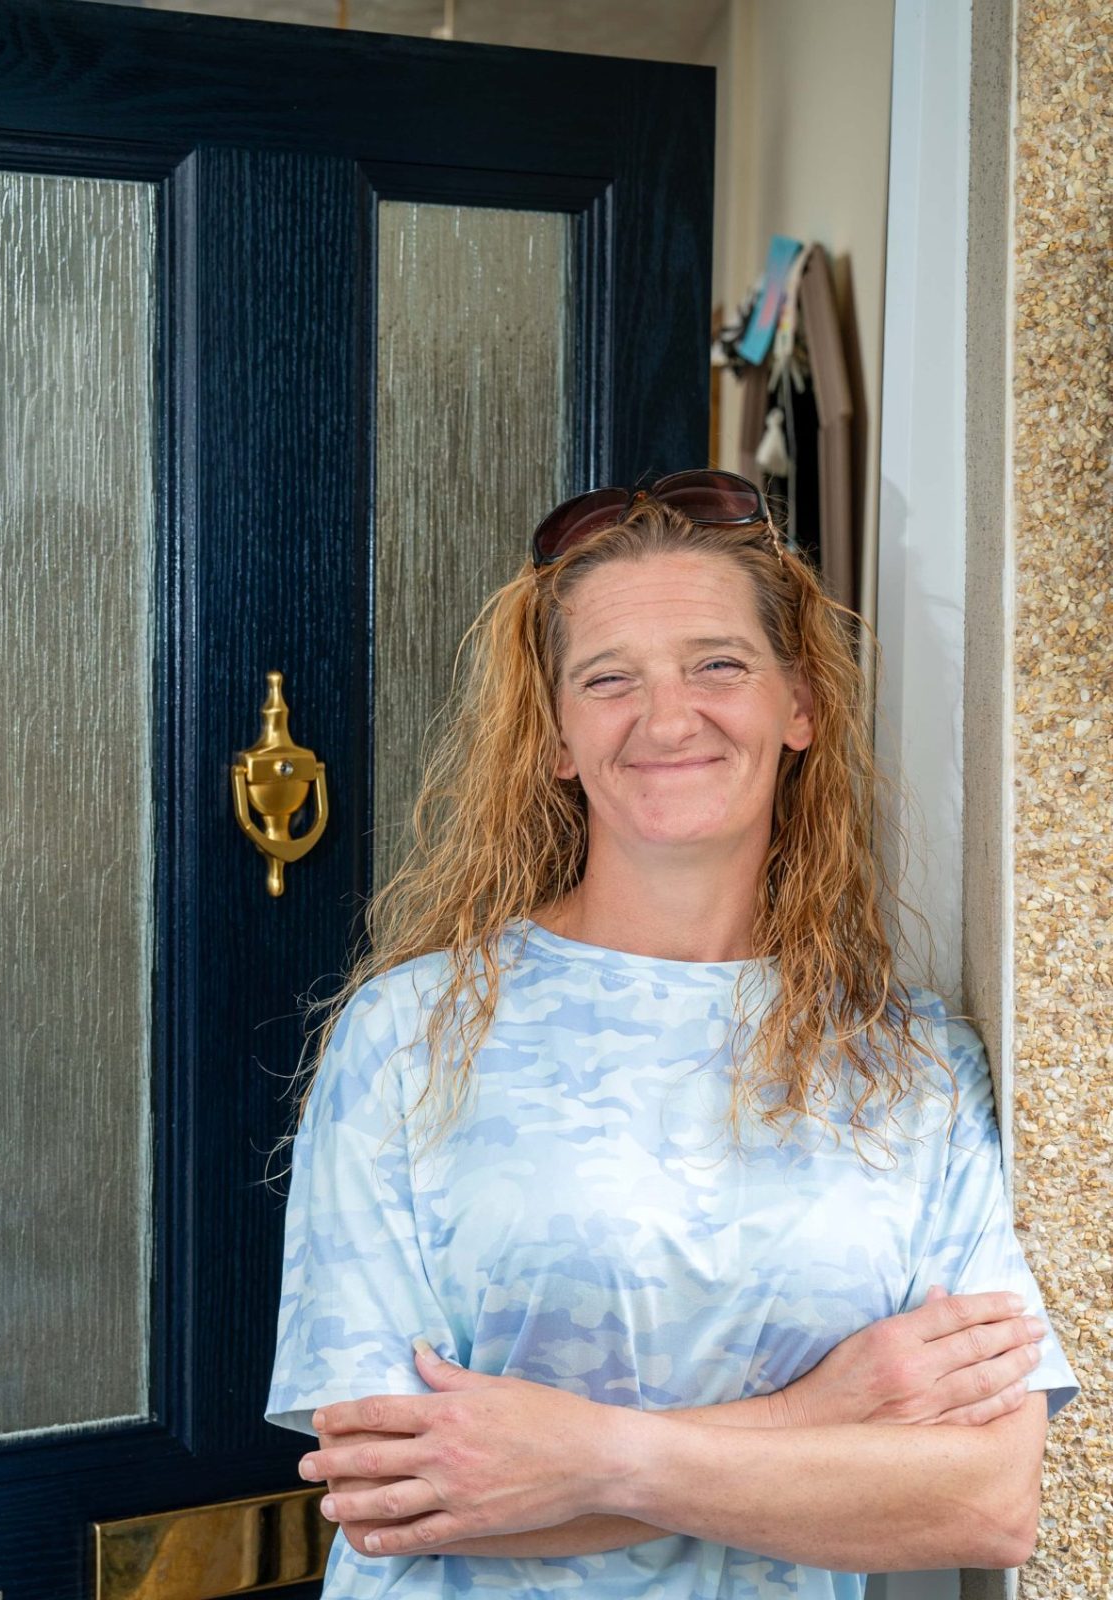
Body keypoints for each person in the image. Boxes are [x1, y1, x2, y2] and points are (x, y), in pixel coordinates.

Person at [262, 471, 1080, 1599]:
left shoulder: (913, 1065)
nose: (666, 716)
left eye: (717, 664)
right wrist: (819, 1418)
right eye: (609, 680)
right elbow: (392, 1495)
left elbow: (984, 1500)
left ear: (798, 707)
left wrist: (588, 1457)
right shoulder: (409, 1036)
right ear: (554, 736)